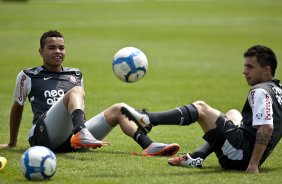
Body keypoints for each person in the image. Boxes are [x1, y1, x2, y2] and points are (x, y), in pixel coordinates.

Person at [0, 30, 180, 156]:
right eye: (52, 47)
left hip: (71, 138)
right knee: (75, 91)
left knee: (120, 108)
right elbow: (18, 107)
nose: (58, 51)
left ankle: (149, 146)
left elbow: (78, 109)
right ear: (40, 51)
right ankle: (81, 131)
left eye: (61, 48)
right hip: (43, 137)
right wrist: (12, 142)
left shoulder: (75, 74)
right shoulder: (28, 75)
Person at [121, 45, 282, 173]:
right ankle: (197, 157)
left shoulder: (259, 92)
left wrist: (253, 165)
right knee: (233, 114)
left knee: (201, 108)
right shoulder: (278, 90)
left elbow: (266, 128)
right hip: (246, 150)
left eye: (250, 67)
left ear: (266, 70)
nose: (244, 71)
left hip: (240, 156)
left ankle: (148, 119)